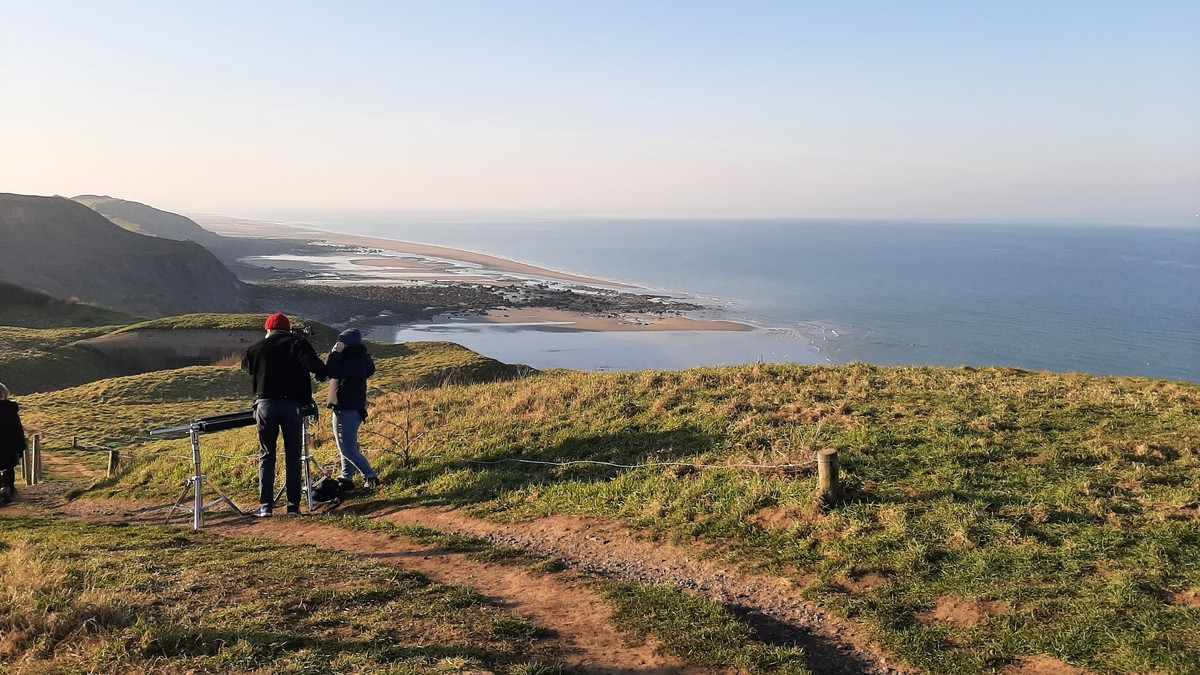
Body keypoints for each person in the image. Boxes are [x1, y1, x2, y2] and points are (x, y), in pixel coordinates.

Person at [241, 313, 327, 517]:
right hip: (292, 405)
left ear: (268, 329)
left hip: (265, 405)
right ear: (288, 329)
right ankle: (293, 506)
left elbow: (247, 367)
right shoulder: (298, 343)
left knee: (266, 454)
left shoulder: (256, 347)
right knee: (293, 456)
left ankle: (266, 507)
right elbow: (317, 368)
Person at [325, 328, 380, 489]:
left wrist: (335, 354)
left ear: (346, 344)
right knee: (346, 446)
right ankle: (346, 478)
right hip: (354, 407)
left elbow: (331, 371)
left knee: (348, 450)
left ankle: (370, 477)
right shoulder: (362, 359)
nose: (338, 344)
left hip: (346, 407)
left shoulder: (351, 361)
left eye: (341, 342)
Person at [0, 382, 27, 505]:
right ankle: (6, 488)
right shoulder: (10, 409)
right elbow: (17, 429)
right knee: (9, 468)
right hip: (8, 446)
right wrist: (21, 446)